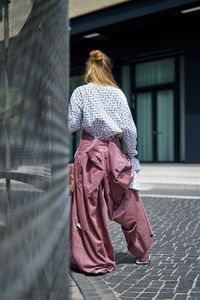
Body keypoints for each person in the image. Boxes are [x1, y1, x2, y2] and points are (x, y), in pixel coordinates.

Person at [68, 49, 153, 274]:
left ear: (89, 70)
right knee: (126, 200)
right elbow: (129, 129)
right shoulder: (118, 94)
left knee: (89, 208)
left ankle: (96, 260)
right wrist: (131, 154)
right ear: (107, 70)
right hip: (114, 151)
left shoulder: (80, 92)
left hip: (89, 153)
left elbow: (71, 125)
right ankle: (142, 250)